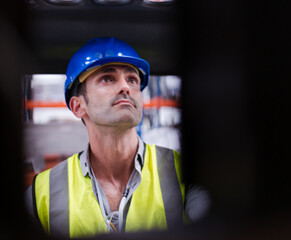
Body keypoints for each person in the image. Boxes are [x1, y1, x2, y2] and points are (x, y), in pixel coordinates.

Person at [25, 37, 210, 238]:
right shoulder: (41, 193)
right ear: (78, 106)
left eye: (132, 79)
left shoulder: (184, 173)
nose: (125, 87)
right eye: (107, 78)